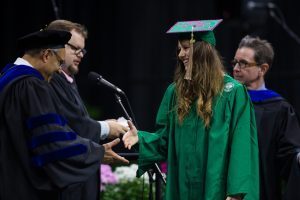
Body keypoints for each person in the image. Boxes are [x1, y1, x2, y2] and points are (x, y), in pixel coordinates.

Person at [123, 19, 259, 200]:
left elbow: (242, 147)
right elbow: (165, 140)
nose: (180, 54)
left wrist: (235, 194)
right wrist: (140, 138)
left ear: (203, 52)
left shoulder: (233, 93)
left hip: (217, 190)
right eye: (179, 49)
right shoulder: (176, 92)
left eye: (186, 48)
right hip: (182, 188)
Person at [0, 29, 129, 200]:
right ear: (46, 55)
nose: (59, 71)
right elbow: (52, 142)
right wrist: (95, 153)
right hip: (24, 188)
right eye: (59, 63)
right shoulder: (31, 85)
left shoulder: (7, 77)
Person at [44, 19, 129, 200]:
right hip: (64, 185)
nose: (80, 54)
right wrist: (106, 128)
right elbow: (72, 126)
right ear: (56, 45)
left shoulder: (67, 80)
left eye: (82, 49)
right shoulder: (51, 80)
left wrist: (106, 125)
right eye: (74, 48)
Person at [232, 35, 300, 200]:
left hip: (262, 192)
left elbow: (289, 156)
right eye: (234, 62)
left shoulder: (279, 109)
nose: (235, 68)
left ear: (262, 69)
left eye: (243, 63)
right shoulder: (226, 103)